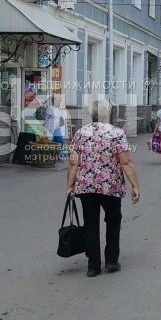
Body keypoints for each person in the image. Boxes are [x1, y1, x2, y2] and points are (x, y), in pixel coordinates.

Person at [66, 100, 141, 277]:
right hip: (111, 187)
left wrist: (70, 186)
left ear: (92, 114)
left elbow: (73, 162)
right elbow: (125, 162)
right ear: (109, 114)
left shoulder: (81, 133)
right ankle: (111, 261)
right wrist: (135, 185)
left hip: (86, 187)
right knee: (113, 222)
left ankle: (93, 266)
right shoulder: (117, 133)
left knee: (90, 225)